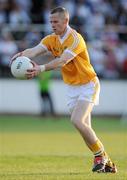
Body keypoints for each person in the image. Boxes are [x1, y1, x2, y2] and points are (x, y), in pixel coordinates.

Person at [11, 7, 117, 173]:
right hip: (72, 87)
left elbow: (62, 61)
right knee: (84, 128)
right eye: (51, 22)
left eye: (56, 22)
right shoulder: (51, 39)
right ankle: (107, 162)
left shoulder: (75, 38)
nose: (52, 25)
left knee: (77, 120)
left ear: (65, 21)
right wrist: (22, 55)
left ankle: (99, 156)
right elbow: (36, 50)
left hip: (88, 84)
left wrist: (41, 68)